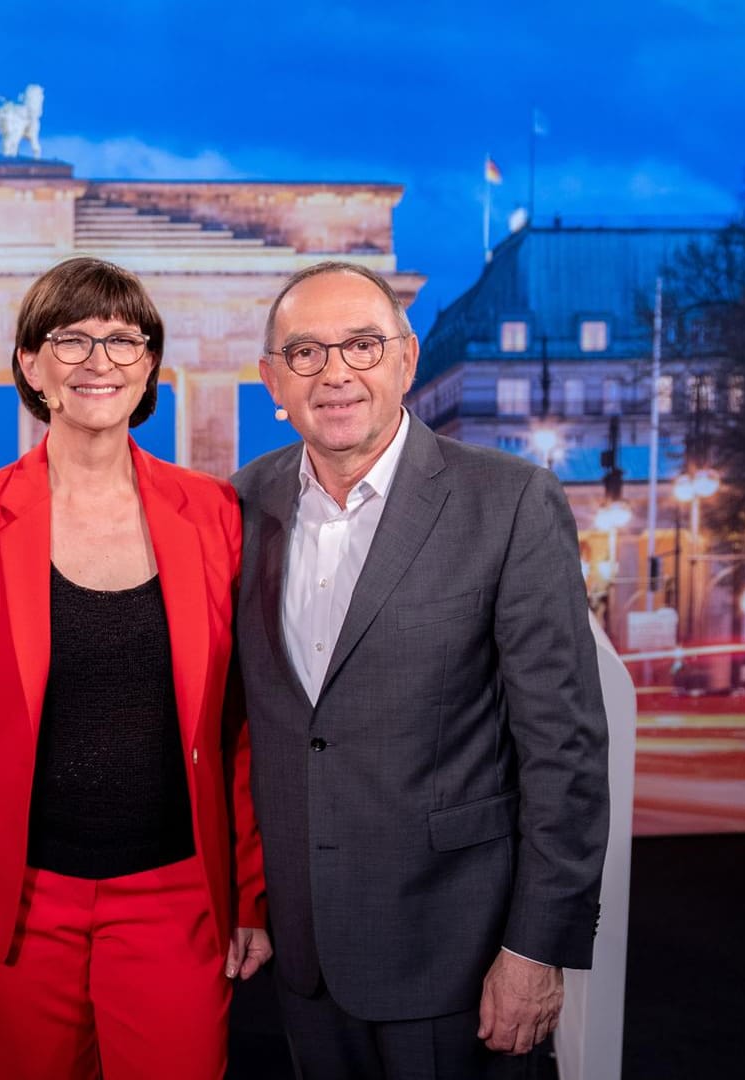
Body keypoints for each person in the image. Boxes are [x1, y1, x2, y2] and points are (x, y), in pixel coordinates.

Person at [233, 260, 609, 1079]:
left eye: (362, 346)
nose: (335, 373)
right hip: (305, 955)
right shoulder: (239, 507)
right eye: (306, 353)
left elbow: (564, 751)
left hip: (458, 957)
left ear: (406, 360)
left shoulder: (510, 502)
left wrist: (536, 950)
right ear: (273, 380)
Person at [0, 257, 271, 1080]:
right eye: (71, 339)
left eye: (123, 341)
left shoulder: (215, 515)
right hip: (16, 906)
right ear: (30, 364)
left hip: (176, 898)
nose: (98, 362)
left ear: (150, 364)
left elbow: (242, 722)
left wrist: (251, 894)